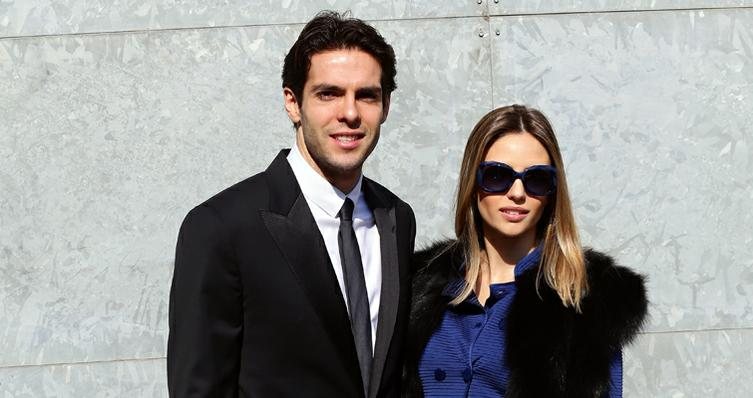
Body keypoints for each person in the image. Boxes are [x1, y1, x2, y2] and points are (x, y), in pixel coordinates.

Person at [167, 11, 416, 397]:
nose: (349, 113)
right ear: (293, 103)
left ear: (385, 106)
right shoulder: (222, 228)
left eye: (366, 95)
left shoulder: (396, 218)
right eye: (328, 93)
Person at [403, 105, 648, 397]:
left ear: (553, 191)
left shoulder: (587, 297)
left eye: (537, 179)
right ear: (473, 181)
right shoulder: (417, 285)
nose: (517, 193)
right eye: (497, 176)